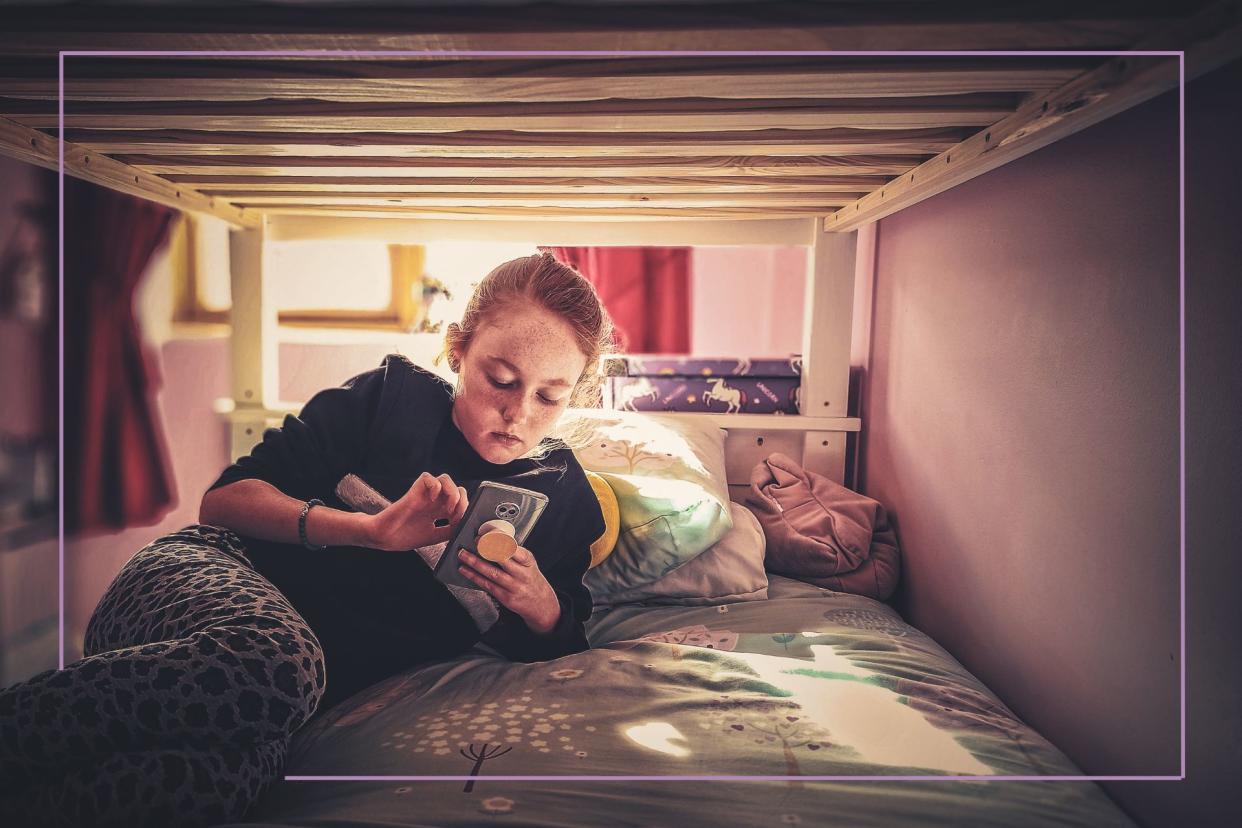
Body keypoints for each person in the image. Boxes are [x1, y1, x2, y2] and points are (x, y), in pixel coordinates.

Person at [0, 251, 613, 827]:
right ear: (458, 351)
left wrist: (539, 604)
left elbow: (560, 645)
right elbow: (224, 503)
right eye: (501, 379)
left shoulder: (565, 500)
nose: (519, 413)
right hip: (202, 586)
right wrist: (369, 532)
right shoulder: (387, 401)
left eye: (550, 397)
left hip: (268, 703)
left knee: (209, 785)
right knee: (280, 663)